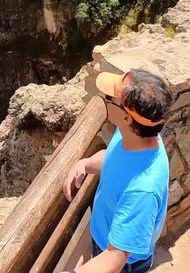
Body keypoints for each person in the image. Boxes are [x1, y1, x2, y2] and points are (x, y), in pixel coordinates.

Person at [63, 68, 173, 273]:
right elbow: (115, 158)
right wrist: (85, 164)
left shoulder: (143, 191)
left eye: (110, 98)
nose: (106, 99)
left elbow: (116, 257)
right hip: (104, 237)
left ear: (126, 117)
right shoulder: (135, 136)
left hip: (124, 263)